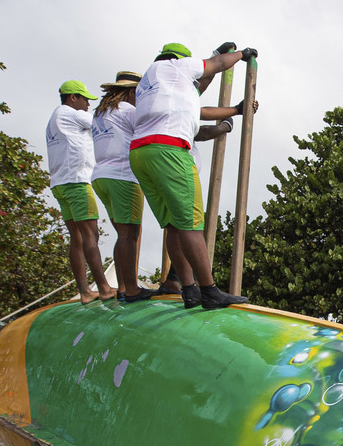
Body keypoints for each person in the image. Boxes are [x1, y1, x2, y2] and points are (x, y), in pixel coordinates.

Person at [129, 42, 254, 309]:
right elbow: (215, 67)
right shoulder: (177, 66)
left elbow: (198, 93)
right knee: (192, 225)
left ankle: (189, 290)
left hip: (140, 153)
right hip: (170, 151)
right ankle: (209, 291)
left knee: (173, 226)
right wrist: (240, 55)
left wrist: (235, 110)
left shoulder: (150, 84)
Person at [46, 79, 114, 303]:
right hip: (76, 181)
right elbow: (101, 123)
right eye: (85, 99)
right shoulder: (70, 113)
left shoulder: (54, 118)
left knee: (76, 238)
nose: (87, 105)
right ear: (72, 97)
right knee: (90, 235)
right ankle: (104, 288)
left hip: (60, 183)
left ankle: (85, 291)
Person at [89, 69, 153, 302]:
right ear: (131, 92)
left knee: (122, 234)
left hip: (101, 176)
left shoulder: (101, 113)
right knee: (131, 233)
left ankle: (124, 287)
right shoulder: (128, 110)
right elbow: (152, 127)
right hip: (123, 175)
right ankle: (132, 288)